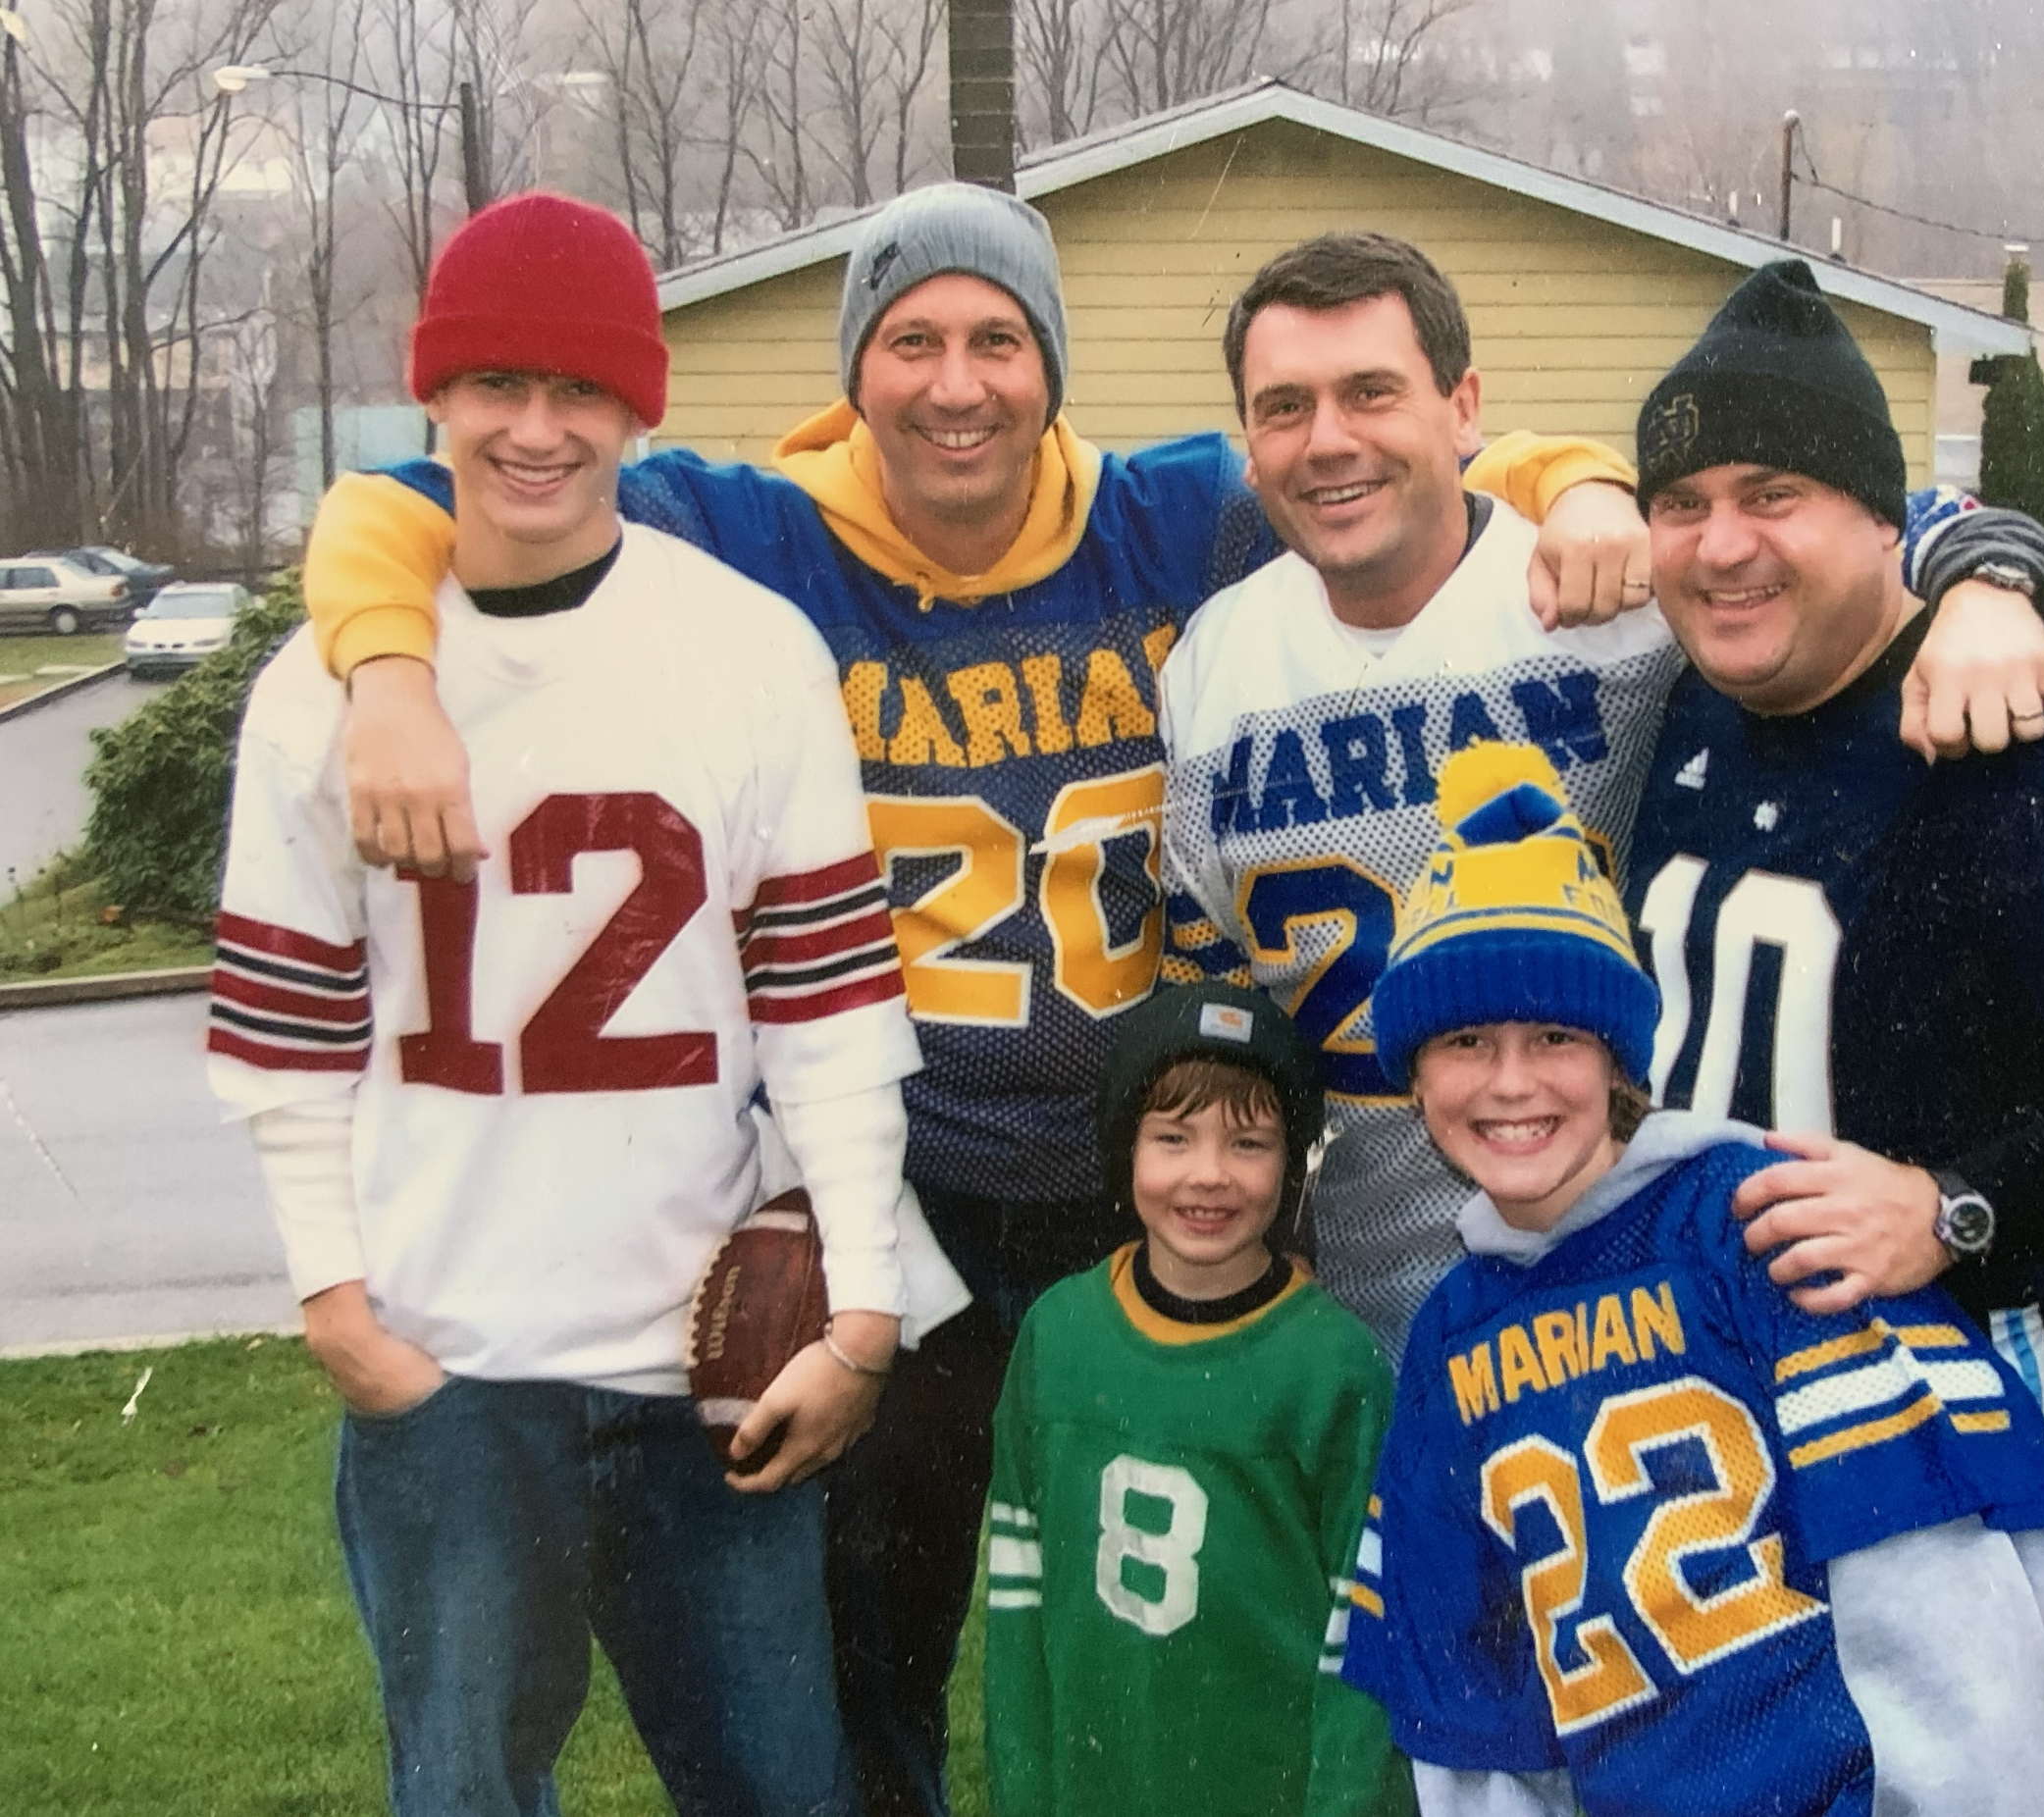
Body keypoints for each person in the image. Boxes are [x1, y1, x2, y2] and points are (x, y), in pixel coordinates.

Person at [291, 184, 1644, 1817]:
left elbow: (1394, 457)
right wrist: (382, 667)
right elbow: (417, 494)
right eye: (909, 340)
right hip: (898, 1184)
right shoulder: (761, 528)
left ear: (1050, 368)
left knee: (1195, 1594)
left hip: (1137, 1171)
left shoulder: (1170, 511)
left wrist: (1584, 482)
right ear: (853, 372)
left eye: (996, 339)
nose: (954, 383)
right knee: (868, 1645)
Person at [206, 193, 936, 1816]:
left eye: (579, 390)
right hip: (448, 1365)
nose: (534, 430)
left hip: (708, 1363)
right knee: (466, 1794)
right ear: (435, 396)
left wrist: (862, 1311)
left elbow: (827, 1013)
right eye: (494, 385)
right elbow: (289, 1038)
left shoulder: (744, 649)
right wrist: (339, 1306)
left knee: (778, 1790)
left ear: (637, 404)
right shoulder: (318, 687)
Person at [1160, 232, 2044, 1359]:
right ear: (1246, 448)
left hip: (1647, 1298)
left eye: (1370, 392)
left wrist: (1991, 574)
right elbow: (1218, 1025)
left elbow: (1837, 532)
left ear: (1464, 409)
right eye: (1283, 407)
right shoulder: (1211, 667)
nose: (1327, 440)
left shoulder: (1608, 589)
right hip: (1372, 1320)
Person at [1621, 257, 2044, 1817]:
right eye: (1682, 501)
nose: (1722, 544)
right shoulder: (1670, 710)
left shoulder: (2010, 735)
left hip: (1962, 1387)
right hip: (1711, 1390)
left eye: (1772, 492)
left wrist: (1951, 1210)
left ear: (1878, 516)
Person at [1341, 741, 2044, 1817]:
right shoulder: (1450, 1335)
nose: (1509, 1081)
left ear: (1616, 1056)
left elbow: (1941, 1598)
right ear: (1410, 1071)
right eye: (1464, 1037)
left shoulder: (1754, 1224)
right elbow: (1478, 1711)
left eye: (1554, 1032)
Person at [979, 981, 1408, 1817]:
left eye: (1249, 1143)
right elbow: (1018, 1605)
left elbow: (1361, 1647)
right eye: (1172, 1138)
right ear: (1123, 1148)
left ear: (1291, 1164)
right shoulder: (1058, 1334)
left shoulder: (1335, 1368)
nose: (1208, 1176)